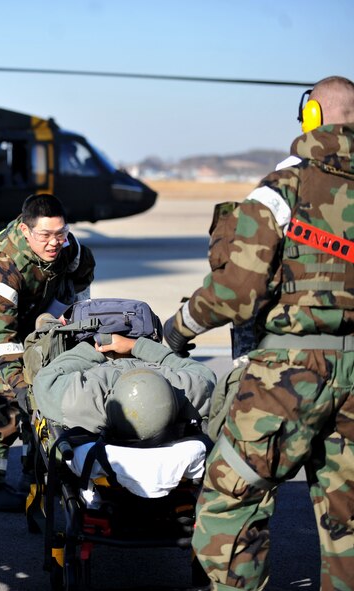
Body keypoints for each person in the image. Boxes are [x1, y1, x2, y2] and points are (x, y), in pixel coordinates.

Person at [163, 75, 354, 591]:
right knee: (348, 524)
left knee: (229, 504)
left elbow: (236, 292)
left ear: (312, 116)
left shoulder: (283, 188)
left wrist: (178, 330)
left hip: (290, 375)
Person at [0, 193, 95, 512]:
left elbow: (83, 269)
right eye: (45, 235)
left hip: (35, 316)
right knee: (1, 395)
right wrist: (18, 384)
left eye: (60, 233)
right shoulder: (1, 266)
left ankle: (33, 476)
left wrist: (73, 314)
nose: (54, 242)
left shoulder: (67, 246)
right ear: (24, 231)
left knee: (44, 392)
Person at [32, 332, 214, 446]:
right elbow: (203, 375)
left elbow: (45, 379)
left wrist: (99, 348)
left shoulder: (83, 400)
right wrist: (135, 346)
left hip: (105, 356)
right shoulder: (185, 390)